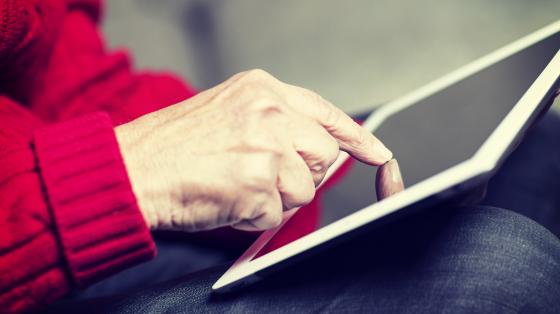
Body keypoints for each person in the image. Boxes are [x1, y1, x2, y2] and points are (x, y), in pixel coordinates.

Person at [1, 1, 559, 313]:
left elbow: (46, 64)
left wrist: (283, 183)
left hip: (52, 181)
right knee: (494, 269)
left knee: (535, 152)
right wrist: (132, 171)